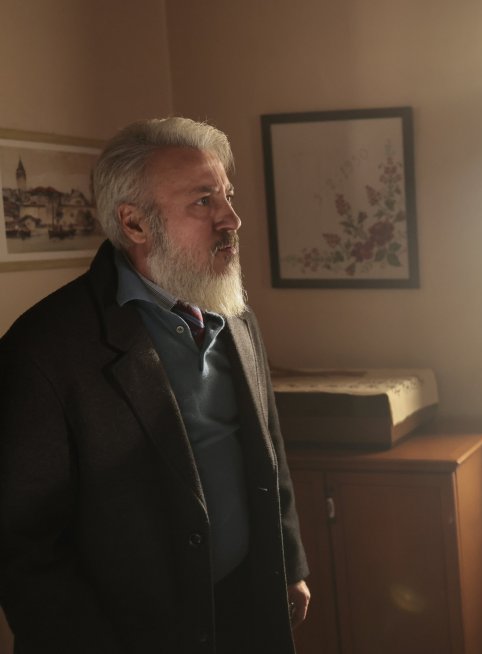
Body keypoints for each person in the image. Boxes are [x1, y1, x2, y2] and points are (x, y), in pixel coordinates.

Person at [0, 117, 311, 653]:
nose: (232, 218)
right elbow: (23, 545)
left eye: (227, 196)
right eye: (203, 201)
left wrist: (289, 563)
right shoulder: (44, 348)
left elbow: (268, 446)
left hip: (246, 606)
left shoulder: (235, 314)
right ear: (136, 224)